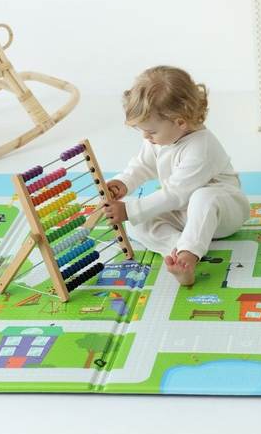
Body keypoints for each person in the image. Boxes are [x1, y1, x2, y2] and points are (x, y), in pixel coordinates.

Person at [102, 66, 249, 287]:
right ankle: (178, 251)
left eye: (151, 131)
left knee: (202, 196)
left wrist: (131, 210)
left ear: (180, 122)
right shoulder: (161, 138)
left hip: (223, 213)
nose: (146, 136)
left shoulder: (201, 148)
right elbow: (143, 164)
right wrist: (123, 182)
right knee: (135, 223)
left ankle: (189, 254)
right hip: (183, 213)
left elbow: (175, 194)